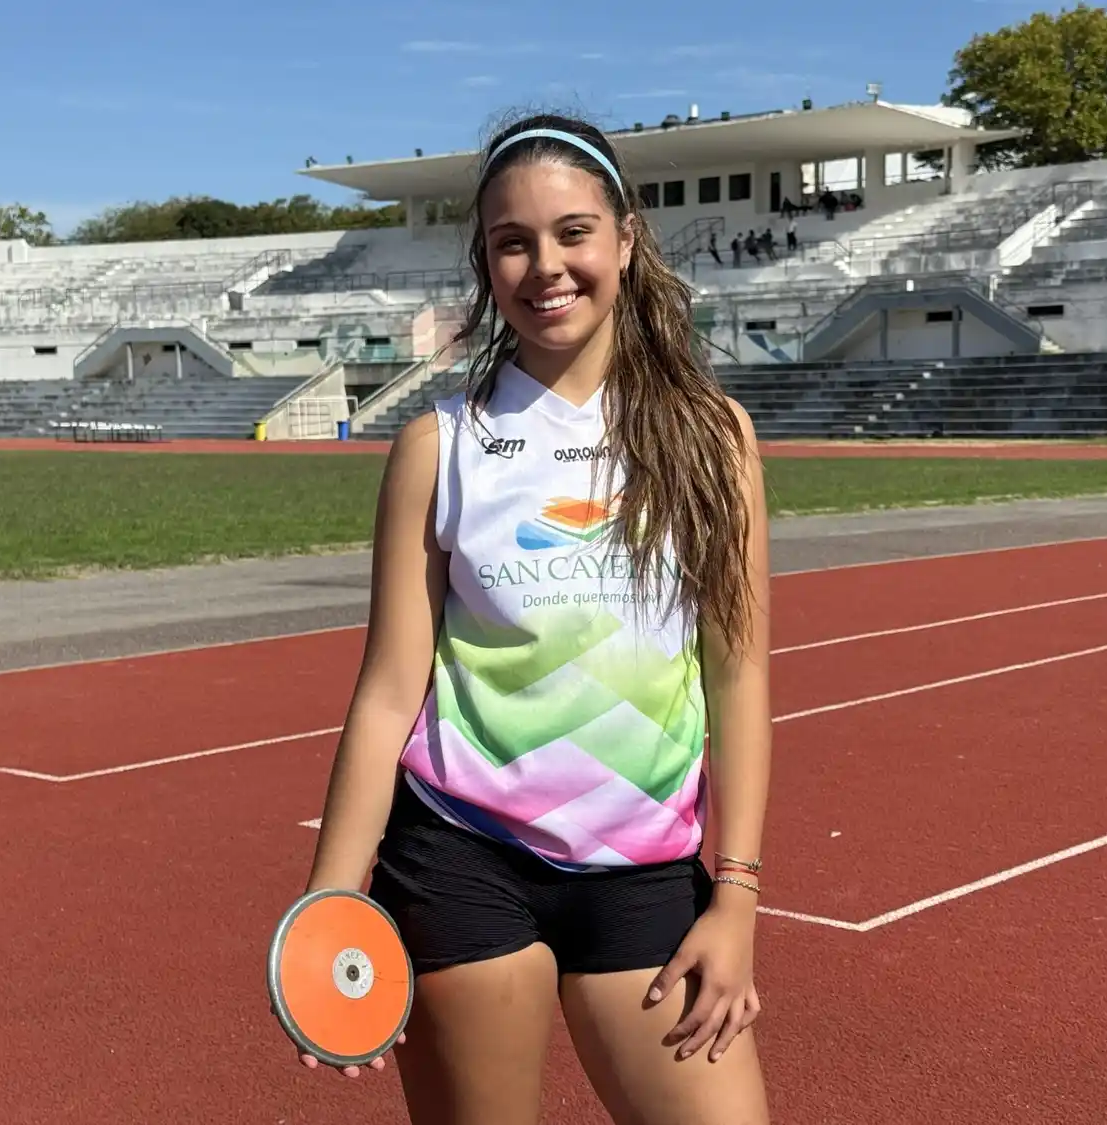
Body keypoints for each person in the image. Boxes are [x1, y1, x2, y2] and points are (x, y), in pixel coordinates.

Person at [295, 111, 773, 1125]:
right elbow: (389, 694)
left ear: (626, 241)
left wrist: (735, 898)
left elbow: (740, 677)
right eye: (512, 241)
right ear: (485, 260)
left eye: (572, 232)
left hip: (644, 874)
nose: (544, 265)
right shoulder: (441, 447)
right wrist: (332, 905)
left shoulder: (712, 437)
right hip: (461, 861)